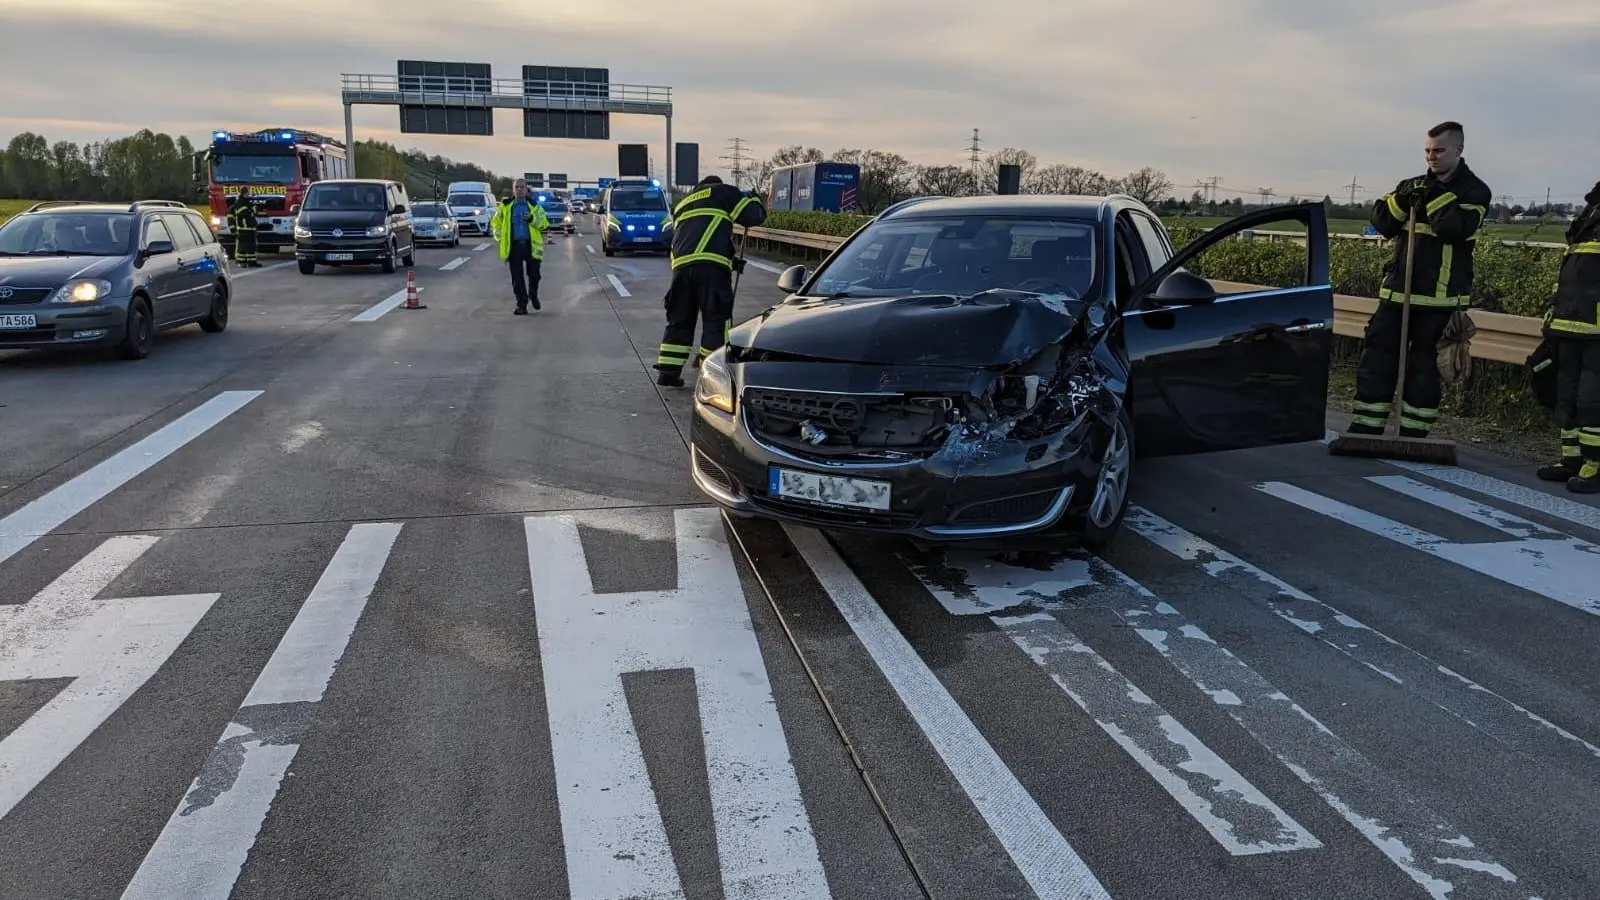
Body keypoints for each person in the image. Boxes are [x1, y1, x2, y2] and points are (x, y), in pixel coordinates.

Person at [1346, 121, 1492, 438]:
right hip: (1398, 293)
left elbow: (1453, 228)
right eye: (1427, 150)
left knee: (1425, 369)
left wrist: (1434, 195)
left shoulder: (1475, 191)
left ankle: (1414, 433)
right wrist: (1403, 198)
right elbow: (1382, 221)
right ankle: (1366, 426)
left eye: (1439, 150)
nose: (1431, 157)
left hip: (1440, 301)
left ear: (1459, 150)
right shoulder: (1411, 184)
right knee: (1378, 358)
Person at [654, 175, 767, 387]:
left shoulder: (683, 203)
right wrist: (755, 200)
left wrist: (730, 260)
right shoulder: (724, 192)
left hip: (680, 268)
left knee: (680, 320)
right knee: (716, 320)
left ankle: (667, 372)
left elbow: (698, 237)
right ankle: (712, 374)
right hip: (712, 269)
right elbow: (753, 217)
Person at [1536, 180, 1600, 493]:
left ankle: (1596, 464)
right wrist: (1553, 310)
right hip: (1568, 322)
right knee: (1567, 395)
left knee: (1592, 400)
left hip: (1597, 329)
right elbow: (1571, 269)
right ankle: (1572, 460)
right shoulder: (1592, 209)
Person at [490, 179, 548, 314]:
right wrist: (500, 239)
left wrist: (532, 219)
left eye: (522, 187)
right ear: (513, 189)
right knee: (517, 278)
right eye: (517, 187)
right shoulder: (505, 206)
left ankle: (533, 295)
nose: (520, 189)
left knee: (534, 275)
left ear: (526, 189)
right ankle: (521, 304)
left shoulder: (534, 206)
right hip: (514, 246)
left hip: (530, 246)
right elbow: (495, 223)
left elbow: (544, 224)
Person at [228, 193, 261, 268]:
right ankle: (241, 261)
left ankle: (250, 262)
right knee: (241, 247)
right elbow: (231, 221)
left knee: (250, 246)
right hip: (241, 230)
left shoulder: (241, 206)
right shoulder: (234, 209)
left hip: (247, 229)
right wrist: (234, 231)